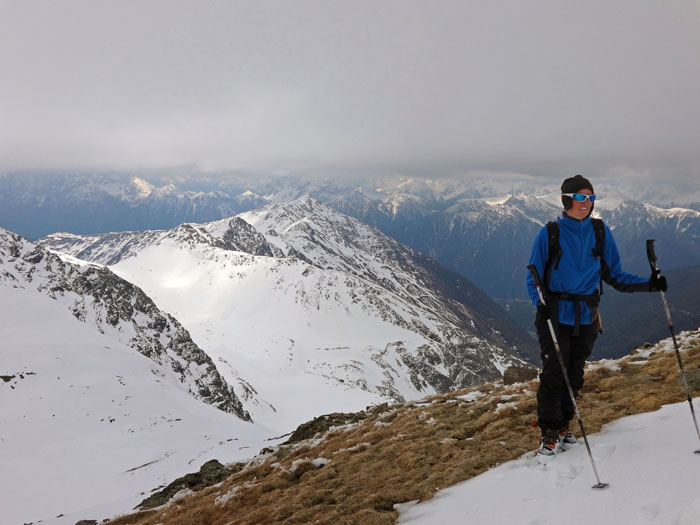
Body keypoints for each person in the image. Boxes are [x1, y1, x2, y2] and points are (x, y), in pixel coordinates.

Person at [525, 174, 667, 457]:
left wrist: (649, 285)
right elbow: (534, 278)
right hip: (554, 314)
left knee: (575, 374)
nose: (586, 203)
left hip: (587, 315)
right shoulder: (550, 233)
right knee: (555, 373)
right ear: (567, 200)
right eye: (581, 197)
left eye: (591, 198)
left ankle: (564, 425)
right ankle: (550, 432)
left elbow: (616, 275)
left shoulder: (601, 232)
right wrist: (538, 304)